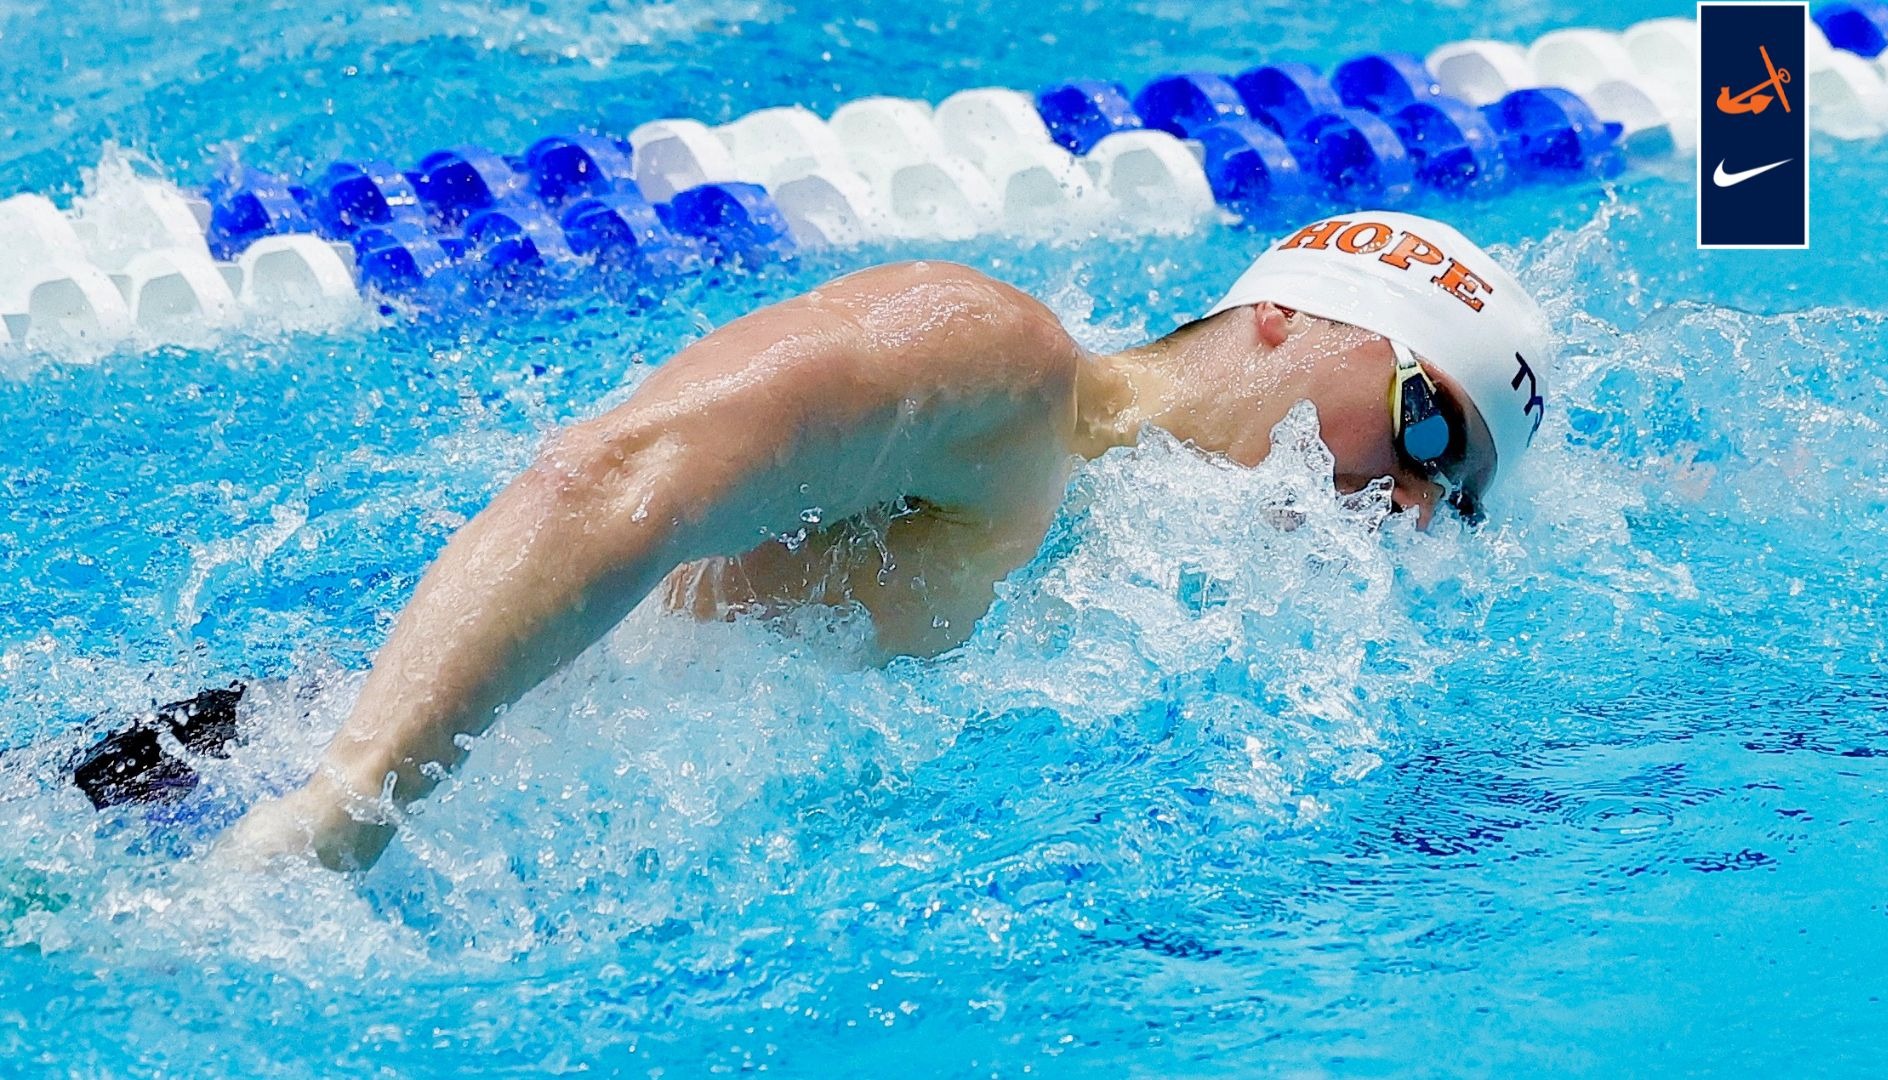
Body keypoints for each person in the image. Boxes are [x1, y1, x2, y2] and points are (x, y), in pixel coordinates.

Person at [180, 209, 1549, 872]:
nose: (1409, 500)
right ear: (1284, 314)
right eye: (1426, 423)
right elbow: (608, 477)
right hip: (243, 785)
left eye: (1456, 495)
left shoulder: (1147, 593)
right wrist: (339, 809)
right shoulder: (1002, 376)